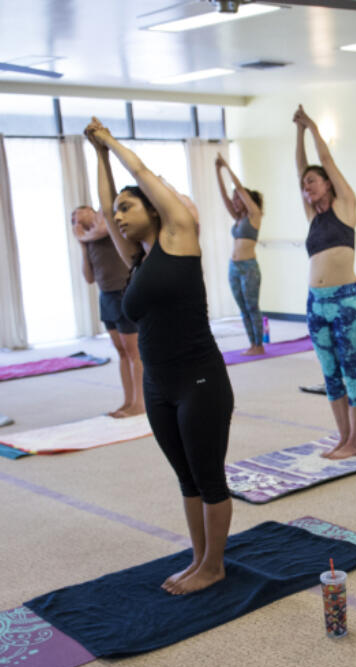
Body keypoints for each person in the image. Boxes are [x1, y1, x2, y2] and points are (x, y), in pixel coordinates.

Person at [84, 117, 233, 596]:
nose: (118, 217)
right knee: (186, 478)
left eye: (129, 207)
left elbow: (145, 172)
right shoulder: (139, 259)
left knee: (208, 477)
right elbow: (107, 214)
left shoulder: (180, 236)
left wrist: (111, 141)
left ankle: (215, 566)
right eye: (118, 210)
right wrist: (99, 158)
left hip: (199, 380)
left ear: (154, 208)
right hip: (159, 385)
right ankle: (198, 560)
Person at [294, 104, 356, 460]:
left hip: (345, 302)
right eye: (304, 183)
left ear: (327, 184)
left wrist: (310, 127)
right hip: (315, 302)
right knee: (330, 374)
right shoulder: (312, 216)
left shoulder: (345, 206)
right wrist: (296, 135)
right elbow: (299, 168)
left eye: (312, 180)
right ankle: (342, 437)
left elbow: (326, 158)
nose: (306, 185)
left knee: (351, 371)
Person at [71, 206, 142, 416]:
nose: (79, 217)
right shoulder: (89, 241)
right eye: (74, 217)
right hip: (106, 296)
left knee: (133, 352)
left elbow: (104, 219)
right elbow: (89, 278)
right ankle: (129, 400)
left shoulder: (107, 227)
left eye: (83, 210)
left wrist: (85, 235)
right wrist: (83, 246)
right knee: (121, 351)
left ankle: (140, 403)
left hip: (123, 291)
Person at [215, 154, 265, 355]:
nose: (235, 201)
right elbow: (223, 196)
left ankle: (259, 345)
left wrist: (227, 167)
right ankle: (251, 343)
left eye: (238, 198)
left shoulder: (255, 216)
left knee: (252, 306)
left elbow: (240, 190)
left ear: (247, 200)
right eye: (234, 198)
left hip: (249, 267)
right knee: (243, 309)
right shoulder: (237, 218)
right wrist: (217, 171)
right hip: (233, 267)